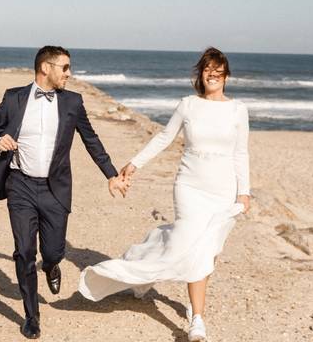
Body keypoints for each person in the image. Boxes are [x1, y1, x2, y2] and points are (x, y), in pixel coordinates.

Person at [78, 47, 251, 342]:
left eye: (218, 69)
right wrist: (134, 163)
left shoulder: (238, 110)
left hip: (223, 190)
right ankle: (198, 320)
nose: (212, 74)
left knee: (207, 249)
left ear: (226, 74)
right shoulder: (187, 105)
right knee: (189, 243)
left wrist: (244, 192)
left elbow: (241, 153)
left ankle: (156, 265)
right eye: (207, 69)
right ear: (201, 74)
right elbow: (163, 138)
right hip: (190, 187)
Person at [0, 45, 129, 339]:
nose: (69, 74)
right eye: (65, 67)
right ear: (45, 68)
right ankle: (32, 316)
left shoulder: (73, 102)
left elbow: (91, 140)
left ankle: (50, 265)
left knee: (53, 250)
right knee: (24, 251)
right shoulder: (14, 98)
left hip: (55, 188)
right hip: (20, 184)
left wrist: (111, 174)